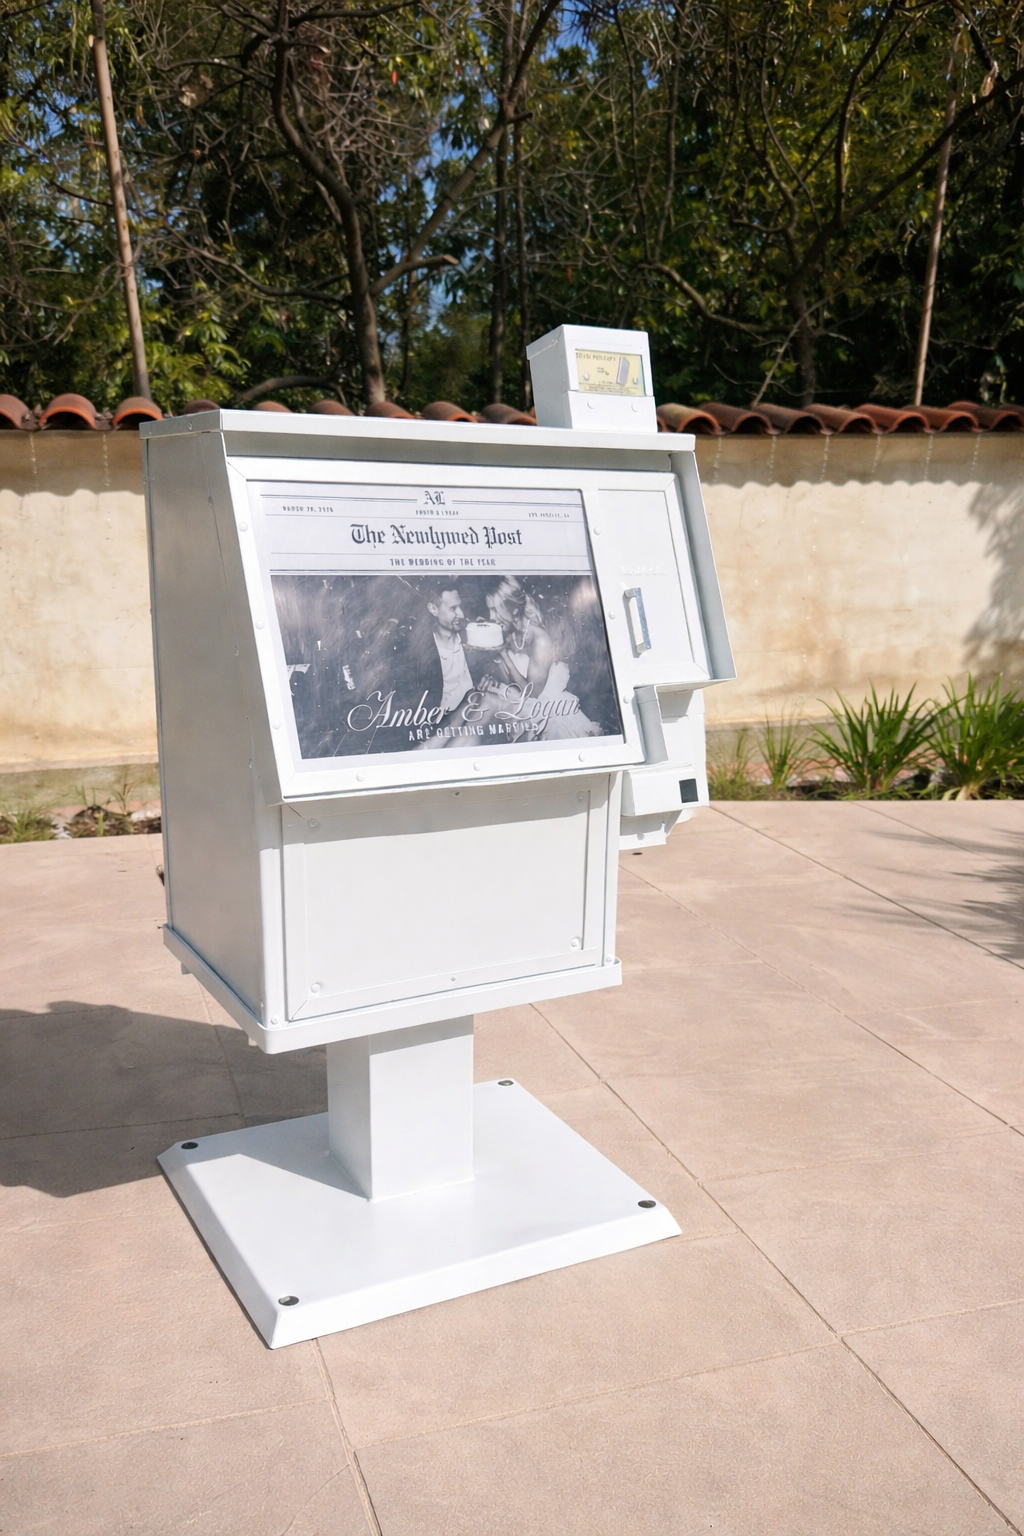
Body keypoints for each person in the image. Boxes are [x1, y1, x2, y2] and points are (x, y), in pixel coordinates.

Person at [481, 576, 603, 740]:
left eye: (495, 610)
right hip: (521, 705)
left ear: (514, 610)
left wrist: (502, 654)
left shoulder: (540, 640)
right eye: (490, 610)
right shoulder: (508, 634)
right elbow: (510, 678)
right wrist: (493, 680)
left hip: (548, 712)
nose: (491, 617)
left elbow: (533, 693)